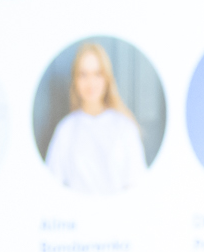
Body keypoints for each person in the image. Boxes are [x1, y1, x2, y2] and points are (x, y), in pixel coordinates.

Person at [44, 39, 148, 193]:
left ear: (106, 79)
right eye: (83, 74)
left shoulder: (125, 127)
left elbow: (136, 185)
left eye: (97, 74)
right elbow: (52, 185)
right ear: (75, 80)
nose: (90, 82)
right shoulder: (66, 129)